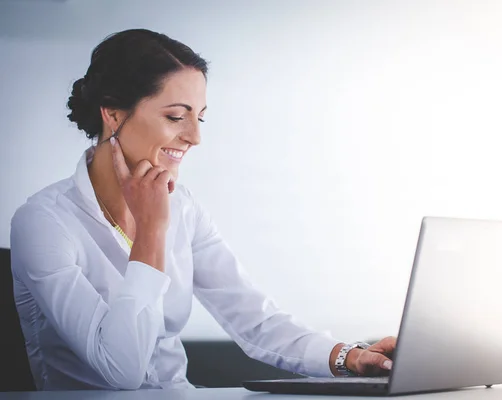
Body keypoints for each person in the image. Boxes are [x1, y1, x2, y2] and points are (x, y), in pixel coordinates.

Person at [10, 29, 395, 391]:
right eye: (176, 116)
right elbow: (121, 369)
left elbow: (255, 319)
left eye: (200, 116)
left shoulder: (183, 207)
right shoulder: (45, 222)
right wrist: (151, 231)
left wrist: (350, 358)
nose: (195, 136)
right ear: (112, 114)